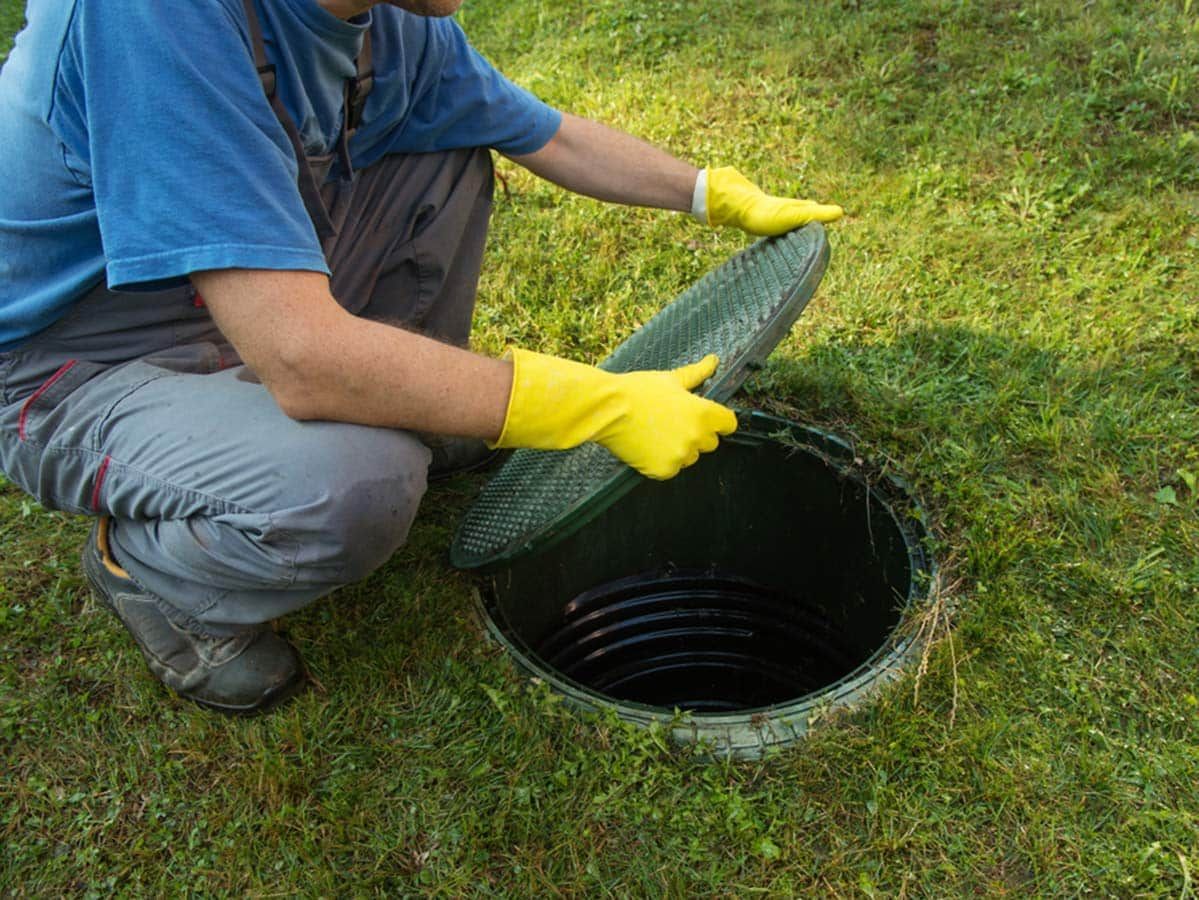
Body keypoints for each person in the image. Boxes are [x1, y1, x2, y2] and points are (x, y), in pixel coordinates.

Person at [0, 0, 842, 714]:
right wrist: (592, 404)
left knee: (443, 148)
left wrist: (710, 192)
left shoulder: (383, 19)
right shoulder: (149, 21)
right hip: (77, 365)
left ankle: (407, 414)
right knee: (351, 484)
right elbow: (301, 356)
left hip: (236, 299)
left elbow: (544, 134)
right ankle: (148, 573)